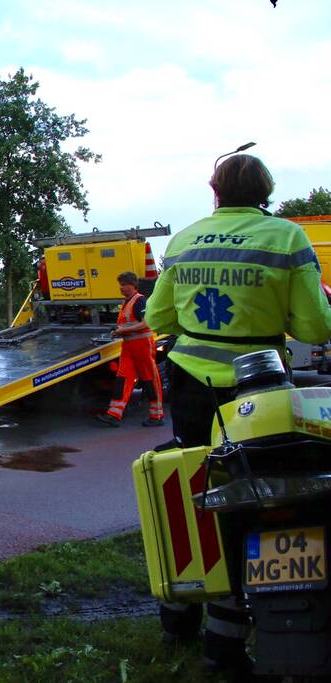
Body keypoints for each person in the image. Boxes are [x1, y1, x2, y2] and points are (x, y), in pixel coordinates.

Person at [145, 153, 331, 673]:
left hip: (191, 386)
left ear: (215, 189)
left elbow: (157, 315)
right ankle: (227, 641)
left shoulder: (183, 240)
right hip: (261, 391)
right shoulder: (287, 238)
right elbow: (315, 329)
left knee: (193, 491)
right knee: (261, 500)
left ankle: (177, 614)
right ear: (266, 191)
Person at [95, 272, 164, 428]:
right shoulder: (127, 302)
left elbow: (146, 323)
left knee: (149, 378)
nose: (121, 288)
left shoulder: (139, 300)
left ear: (133, 285)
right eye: (120, 285)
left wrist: (123, 331)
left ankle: (157, 415)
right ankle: (114, 414)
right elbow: (129, 324)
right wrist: (118, 331)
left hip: (142, 345)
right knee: (123, 378)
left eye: (124, 284)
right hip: (129, 346)